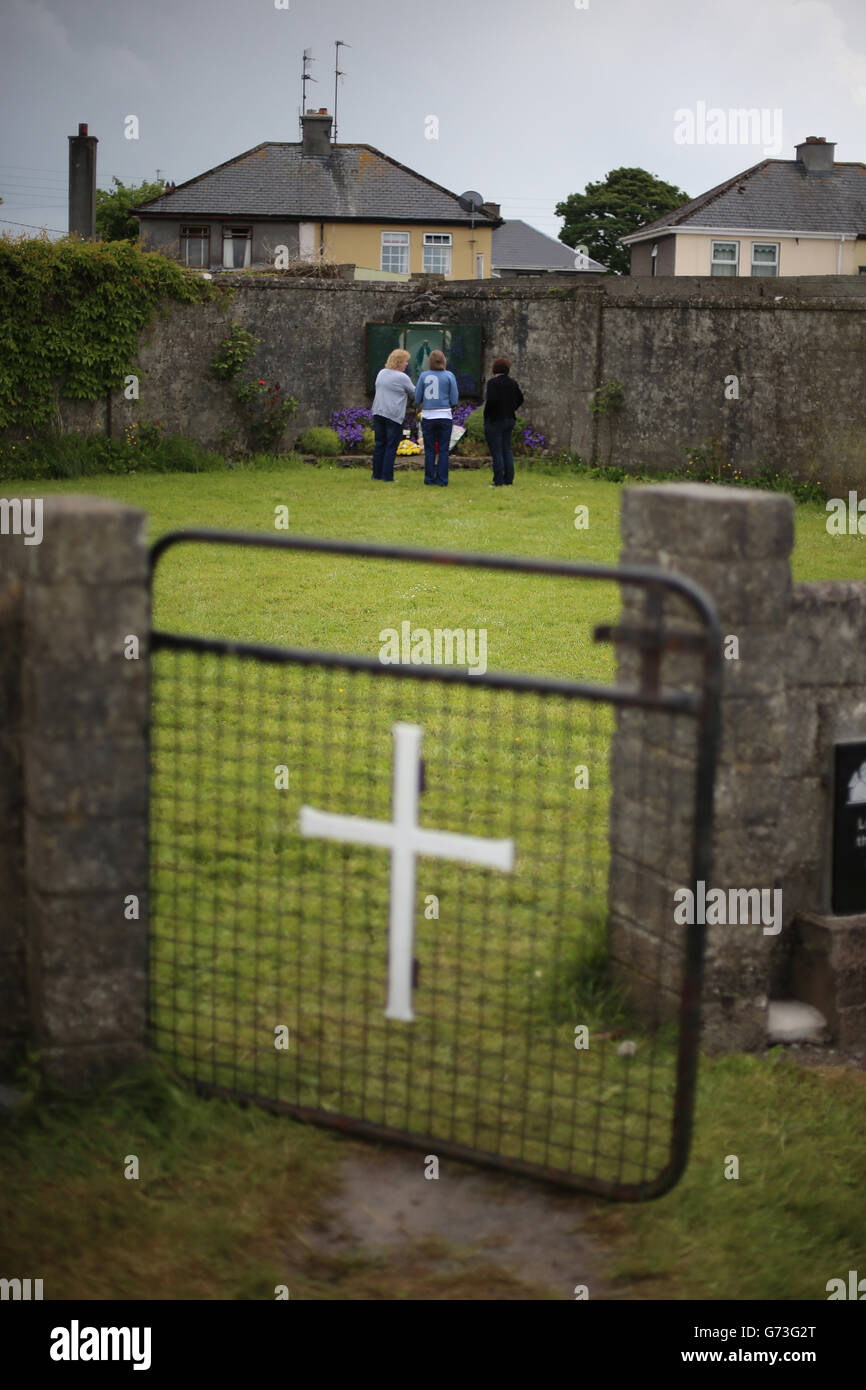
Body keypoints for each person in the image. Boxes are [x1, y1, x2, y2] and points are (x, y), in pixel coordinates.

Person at [414, 348, 459, 487]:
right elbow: (454, 398)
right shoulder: (449, 375)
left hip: (428, 415)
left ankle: (429, 479)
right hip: (444, 415)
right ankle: (442, 480)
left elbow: (417, 397)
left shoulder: (423, 376)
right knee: (444, 449)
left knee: (429, 449)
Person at [371, 349, 415, 482]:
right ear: (399, 362)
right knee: (391, 445)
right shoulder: (402, 377)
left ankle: (376, 474)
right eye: (405, 361)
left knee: (379, 444)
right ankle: (387, 476)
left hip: (378, 412)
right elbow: (414, 393)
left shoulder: (381, 373)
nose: (407, 364)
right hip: (393, 415)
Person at [483, 356, 524, 487]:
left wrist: (487, 414)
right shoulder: (513, 383)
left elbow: (492, 401)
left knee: (496, 451)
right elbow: (520, 399)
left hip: (495, 420)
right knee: (506, 449)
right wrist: (512, 408)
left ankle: (498, 480)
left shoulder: (492, 383)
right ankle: (509, 479)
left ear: (495, 369)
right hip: (509, 419)